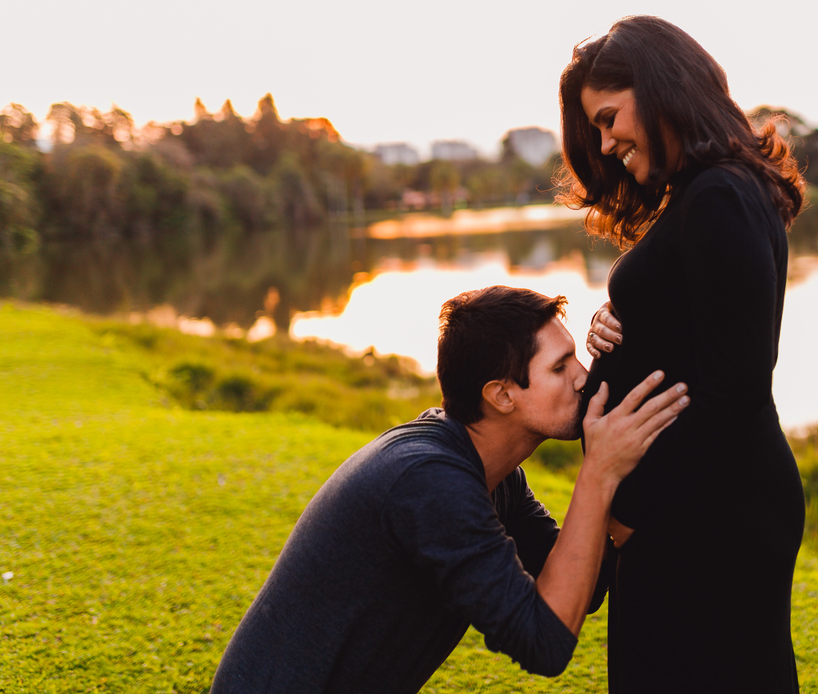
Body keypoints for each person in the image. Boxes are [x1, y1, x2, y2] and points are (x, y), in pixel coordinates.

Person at [209, 285, 689, 694]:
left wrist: (619, 351)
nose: (583, 376)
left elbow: (580, 587)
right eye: (561, 367)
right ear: (500, 394)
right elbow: (544, 642)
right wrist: (598, 474)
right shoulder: (427, 481)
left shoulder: (489, 474)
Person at [557, 15, 808, 693]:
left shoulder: (720, 194)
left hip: (711, 510)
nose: (606, 145)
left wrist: (630, 508)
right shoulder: (702, 194)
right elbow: (697, 327)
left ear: (660, 87)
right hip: (697, 502)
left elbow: (737, 386)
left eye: (609, 119)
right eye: (597, 130)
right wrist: (618, 324)